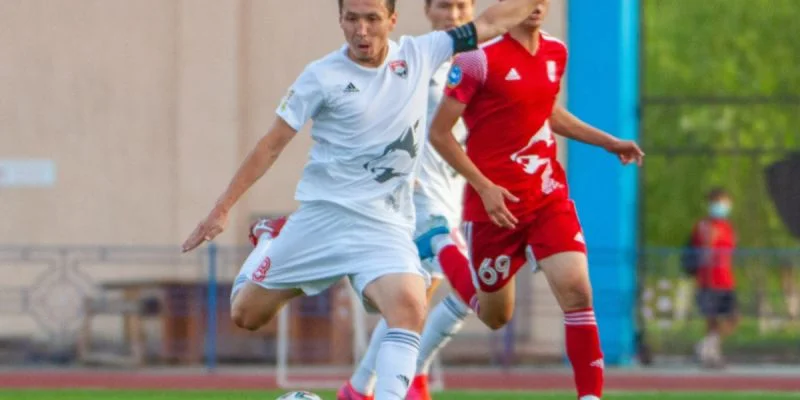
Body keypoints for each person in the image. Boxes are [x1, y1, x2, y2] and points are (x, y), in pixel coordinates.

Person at [180, 1, 546, 399]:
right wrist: (222, 208)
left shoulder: (422, 53)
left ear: (392, 20)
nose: (362, 30)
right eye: (352, 18)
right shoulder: (321, 76)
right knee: (246, 315)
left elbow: (491, 22)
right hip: (322, 221)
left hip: (383, 226)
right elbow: (271, 145)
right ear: (340, 20)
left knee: (409, 306)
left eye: (372, 19)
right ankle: (270, 239)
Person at [420, 1, 645, 399]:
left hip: (546, 197)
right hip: (495, 208)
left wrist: (608, 142)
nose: (536, 5)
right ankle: (442, 244)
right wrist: (484, 187)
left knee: (578, 291)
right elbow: (439, 133)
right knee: (495, 316)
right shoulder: (475, 60)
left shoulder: (556, 51)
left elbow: (547, 112)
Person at [339, 1, 476, 399]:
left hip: (456, 195)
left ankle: (361, 386)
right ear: (428, 10)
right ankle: (410, 379)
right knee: (468, 288)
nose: (453, 15)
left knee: (414, 300)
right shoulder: (412, 60)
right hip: (419, 197)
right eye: (444, 5)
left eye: (462, 6)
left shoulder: (480, 64)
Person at [691, 187, 738, 368]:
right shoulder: (705, 226)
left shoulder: (727, 227)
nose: (723, 207)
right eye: (719, 202)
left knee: (733, 317)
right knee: (712, 320)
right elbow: (704, 253)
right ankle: (711, 354)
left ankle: (706, 347)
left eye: (725, 203)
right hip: (710, 280)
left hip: (726, 279)